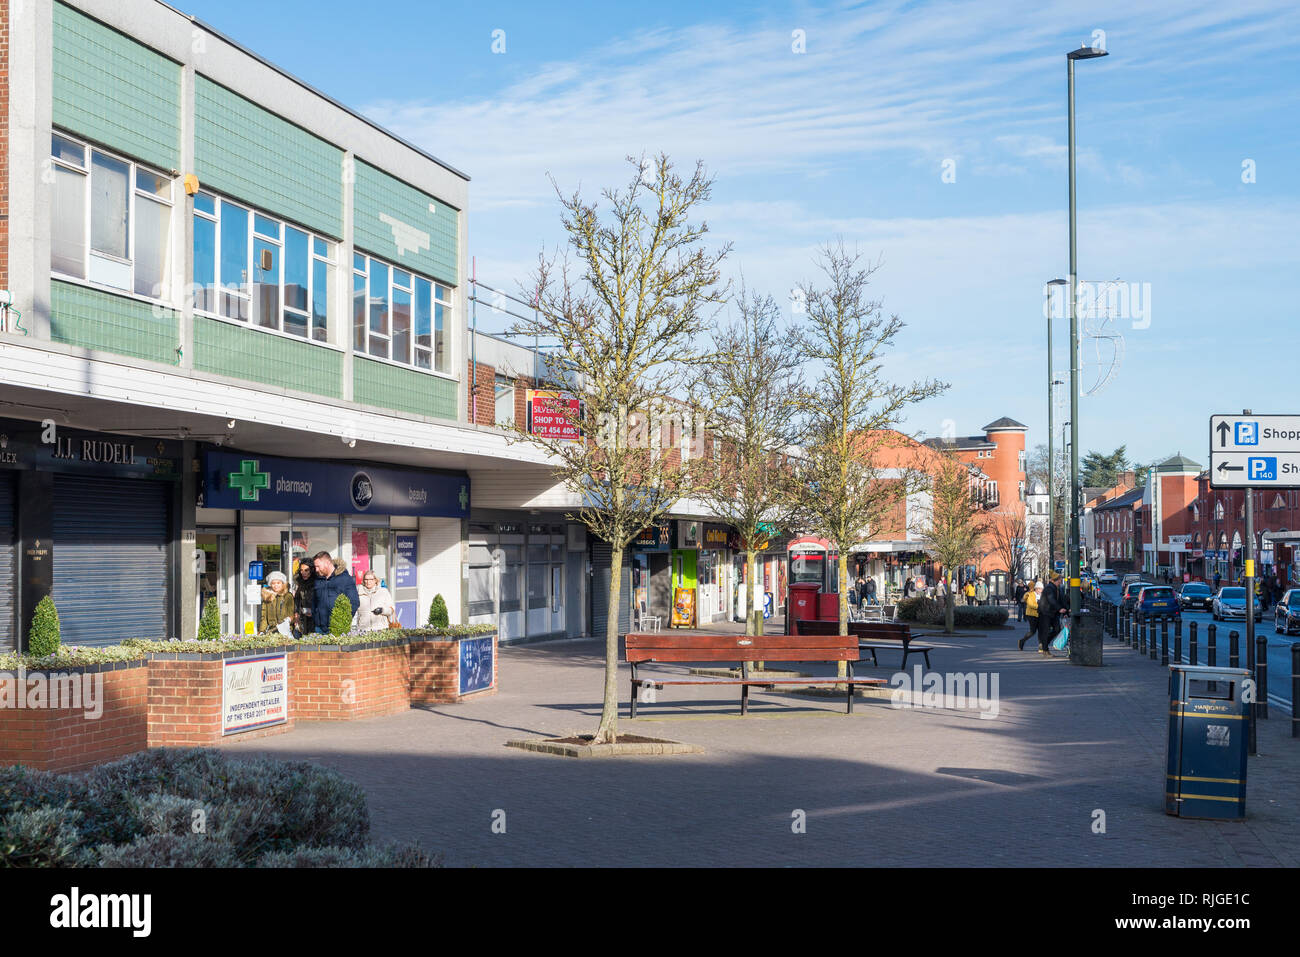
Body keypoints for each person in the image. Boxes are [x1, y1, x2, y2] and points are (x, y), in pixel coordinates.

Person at [311, 551, 360, 635]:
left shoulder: (345, 579)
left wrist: (342, 622)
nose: (316, 569)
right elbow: (314, 602)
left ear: (327, 563)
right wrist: (315, 616)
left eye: (318, 566)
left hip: (338, 629)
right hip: (319, 628)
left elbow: (354, 602)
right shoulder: (318, 581)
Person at [259, 571, 294, 635]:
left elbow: (291, 614)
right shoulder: (267, 597)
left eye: (278, 583)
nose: (276, 585)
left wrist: (287, 621)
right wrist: (262, 630)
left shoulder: (287, 596)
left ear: (282, 584)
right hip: (271, 631)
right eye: (273, 583)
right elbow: (264, 618)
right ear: (270, 584)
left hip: (285, 631)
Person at [1037, 573, 1063, 656]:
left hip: (1052, 612)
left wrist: (1064, 609)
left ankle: (1044, 644)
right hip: (1046, 612)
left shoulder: (1056, 588)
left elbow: (1060, 599)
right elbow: (1051, 600)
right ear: (1056, 580)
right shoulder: (1049, 588)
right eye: (1060, 580)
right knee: (1046, 630)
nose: (1061, 581)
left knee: (1057, 629)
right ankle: (1045, 648)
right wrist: (1060, 608)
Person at [292, 560, 316, 638]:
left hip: (315, 619)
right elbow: (297, 599)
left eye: (306, 570)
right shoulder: (301, 583)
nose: (303, 573)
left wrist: (313, 612)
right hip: (303, 618)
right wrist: (296, 613)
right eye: (301, 570)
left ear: (312, 570)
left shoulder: (317, 583)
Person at [1020, 581, 1040, 650]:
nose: (1032, 588)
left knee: (1041, 630)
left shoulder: (1040, 594)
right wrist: (1040, 607)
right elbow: (1030, 604)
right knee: (1033, 631)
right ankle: (1022, 641)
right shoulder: (1029, 594)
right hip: (1031, 615)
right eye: (1031, 587)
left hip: (1040, 614)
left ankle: (1041, 646)